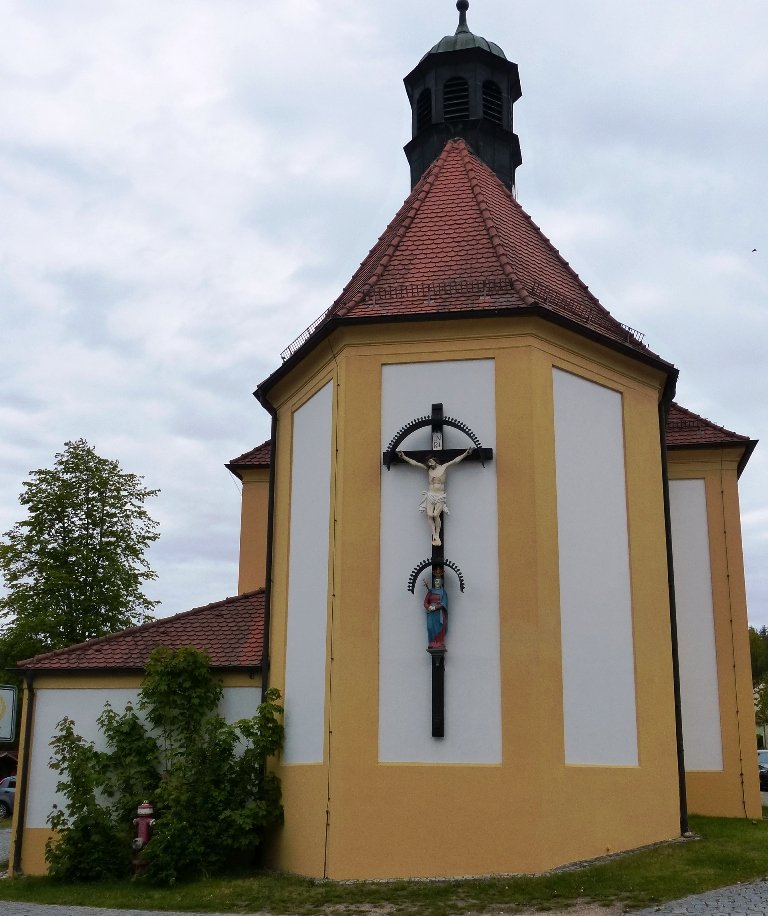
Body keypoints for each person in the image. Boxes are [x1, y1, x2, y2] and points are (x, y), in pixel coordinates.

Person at [397, 446, 473, 545]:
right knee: (429, 515)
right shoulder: (428, 469)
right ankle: (435, 535)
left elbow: (455, 460)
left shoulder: (443, 467)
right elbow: (415, 463)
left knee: (436, 515)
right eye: (428, 463)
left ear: (434, 460)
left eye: (430, 461)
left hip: (440, 495)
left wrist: (466, 453)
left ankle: (437, 534)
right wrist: (403, 457)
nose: (429, 464)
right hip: (430, 495)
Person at [422, 570, 448, 650]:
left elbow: (444, 603)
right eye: (436, 581)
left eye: (438, 581)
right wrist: (428, 607)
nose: (437, 582)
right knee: (430, 627)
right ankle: (432, 642)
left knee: (438, 627)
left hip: (438, 613)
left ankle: (439, 643)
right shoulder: (430, 591)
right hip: (430, 613)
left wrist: (435, 607)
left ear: (441, 582)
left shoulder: (443, 592)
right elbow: (425, 602)